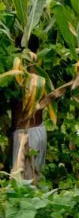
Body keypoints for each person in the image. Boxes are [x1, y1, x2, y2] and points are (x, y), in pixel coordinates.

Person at [7, 35, 46, 184]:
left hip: (25, 135)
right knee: (35, 179)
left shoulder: (18, 75)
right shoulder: (41, 73)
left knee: (23, 183)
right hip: (40, 130)